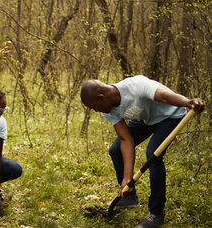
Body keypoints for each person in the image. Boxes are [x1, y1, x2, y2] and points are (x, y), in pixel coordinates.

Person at [80, 75, 203, 228]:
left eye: (94, 107)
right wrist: (127, 178)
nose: (96, 111)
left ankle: (157, 215)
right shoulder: (108, 110)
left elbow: (164, 96)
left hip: (170, 115)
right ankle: (129, 196)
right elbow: (126, 140)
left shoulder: (135, 85)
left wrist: (188, 102)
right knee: (115, 149)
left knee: (154, 155)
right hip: (146, 120)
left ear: (101, 98)